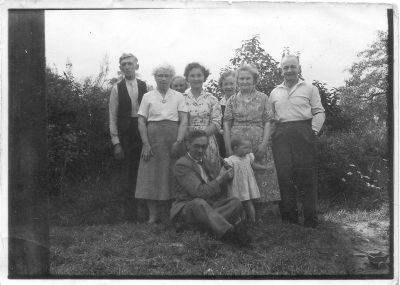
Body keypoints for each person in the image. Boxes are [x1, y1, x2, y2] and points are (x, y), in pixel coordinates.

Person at [269, 54, 325, 228]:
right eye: (286, 67)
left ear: (299, 68)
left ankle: (310, 219)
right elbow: (270, 118)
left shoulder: (309, 88)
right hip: (281, 135)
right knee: (284, 176)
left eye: (293, 67)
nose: (289, 70)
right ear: (281, 70)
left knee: (306, 176)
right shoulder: (274, 91)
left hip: (303, 132)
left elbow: (319, 111)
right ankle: (289, 219)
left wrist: (313, 131)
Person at [171, 130, 251, 246]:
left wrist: (227, 176)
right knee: (199, 203)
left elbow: (215, 189)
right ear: (188, 145)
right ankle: (230, 233)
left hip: (207, 208)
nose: (200, 150)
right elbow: (199, 192)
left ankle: (204, 227)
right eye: (196, 146)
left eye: (204, 147)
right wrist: (220, 179)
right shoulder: (182, 164)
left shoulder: (205, 162)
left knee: (235, 202)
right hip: (188, 209)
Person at [224, 64, 280, 221]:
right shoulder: (232, 100)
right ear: (237, 80)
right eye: (241, 78)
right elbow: (227, 123)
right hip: (238, 144)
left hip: (258, 141)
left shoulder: (263, 98)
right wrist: (228, 146)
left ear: (254, 80)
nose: (244, 81)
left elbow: (269, 121)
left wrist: (264, 143)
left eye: (248, 78)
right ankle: (240, 212)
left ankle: (262, 213)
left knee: (261, 173)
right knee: (240, 174)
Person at [135, 63, 188, 223]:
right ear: (155, 78)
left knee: (171, 174)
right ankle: (153, 215)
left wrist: (179, 140)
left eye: (166, 76)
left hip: (173, 138)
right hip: (153, 140)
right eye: (160, 75)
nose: (163, 78)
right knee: (150, 175)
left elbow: (184, 119)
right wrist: (145, 143)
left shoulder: (179, 96)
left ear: (171, 78)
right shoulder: (147, 96)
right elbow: (141, 121)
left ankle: (168, 213)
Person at [109, 53, 150, 221]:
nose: (127, 67)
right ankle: (130, 215)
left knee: (145, 171)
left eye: (130, 64)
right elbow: (112, 116)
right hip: (125, 135)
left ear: (136, 66)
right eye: (123, 64)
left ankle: (148, 213)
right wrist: (116, 142)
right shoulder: (116, 88)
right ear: (120, 68)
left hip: (142, 131)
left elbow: (151, 112)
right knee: (127, 174)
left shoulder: (146, 85)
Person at [183, 62, 222, 177]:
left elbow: (216, 122)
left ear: (204, 77)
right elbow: (179, 121)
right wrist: (190, 139)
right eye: (192, 76)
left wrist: (201, 138)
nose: (196, 78)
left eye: (199, 75)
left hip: (207, 141)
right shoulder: (181, 98)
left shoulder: (212, 99)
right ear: (187, 78)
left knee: (210, 173)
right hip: (187, 141)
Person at [224, 137, 267, 223]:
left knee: (248, 202)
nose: (249, 150)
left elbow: (253, 165)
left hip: (247, 184)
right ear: (235, 148)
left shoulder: (248, 157)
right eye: (245, 148)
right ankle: (241, 220)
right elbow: (228, 173)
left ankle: (253, 220)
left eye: (250, 148)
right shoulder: (230, 160)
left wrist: (264, 167)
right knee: (239, 203)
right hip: (238, 184)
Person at [216, 70, 237, 158]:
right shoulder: (217, 104)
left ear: (237, 84)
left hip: (239, 140)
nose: (229, 87)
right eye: (226, 84)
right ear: (221, 86)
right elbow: (216, 123)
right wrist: (220, 131)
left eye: (232, 84)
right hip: (222, 141)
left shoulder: (243, 102)